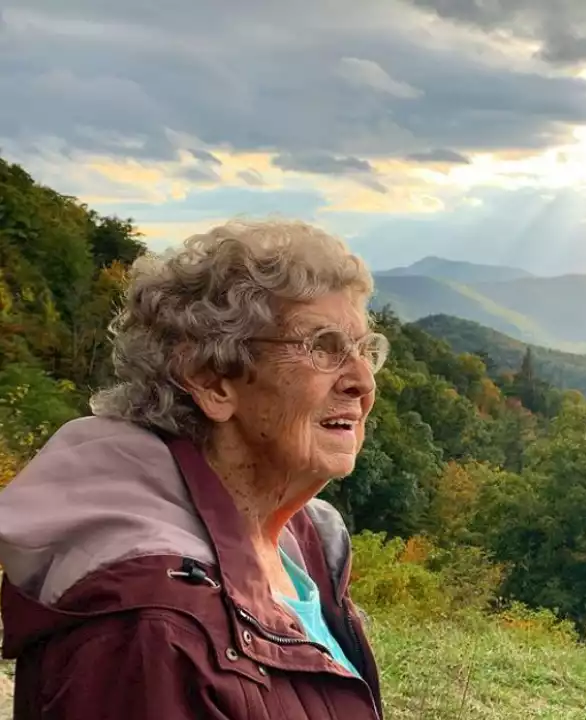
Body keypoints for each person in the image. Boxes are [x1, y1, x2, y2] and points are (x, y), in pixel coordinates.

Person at [0, 219, 388, 719]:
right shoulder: (150, 631)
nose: (360, 380)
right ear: (212, 380)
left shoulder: (298, 540)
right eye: (324, 347)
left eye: (364, 350)